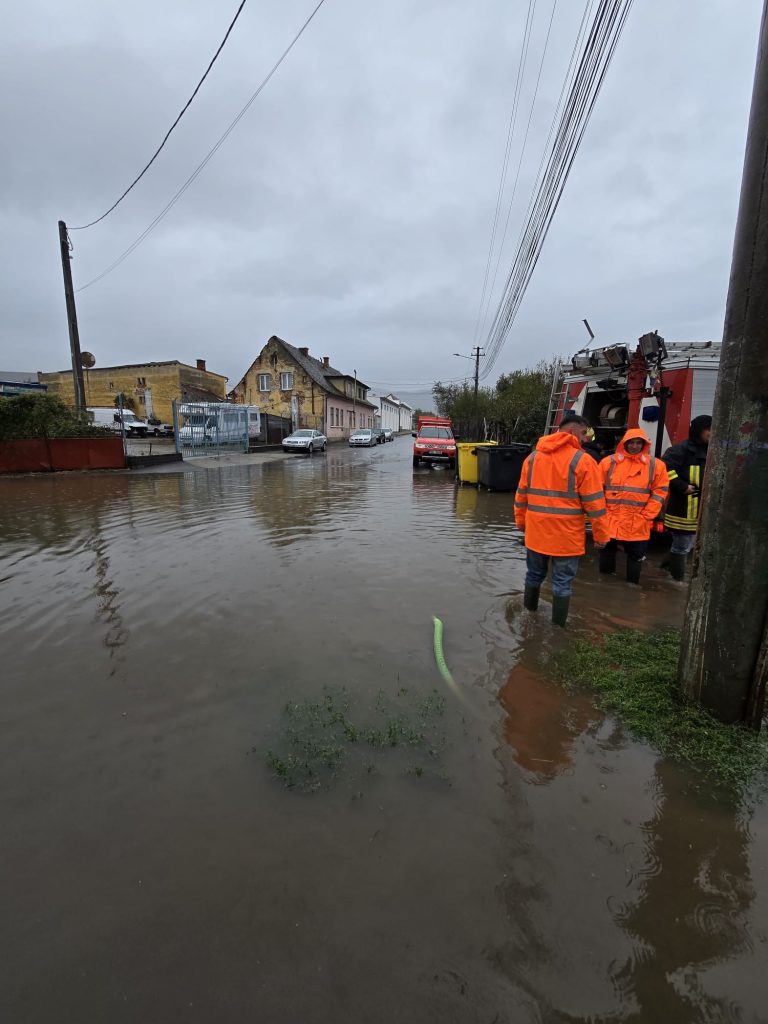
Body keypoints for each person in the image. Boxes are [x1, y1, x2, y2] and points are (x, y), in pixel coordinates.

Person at [515, 414, 610, 626]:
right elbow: (595, 505)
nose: (586, 438)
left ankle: (528, 618)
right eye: (584, 433)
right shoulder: (584, 461)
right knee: (562, 583)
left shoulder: (532, 458)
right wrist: (601, 536)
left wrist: (521, 524)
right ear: (572, 432)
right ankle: (558, 631)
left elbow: (521, 497)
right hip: (566, 537)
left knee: (533, 576)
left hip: (537, 533)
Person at [598, 428, 670, 585]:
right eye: (631, 442)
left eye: (638, 443)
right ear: (624, 443)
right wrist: (601, 513)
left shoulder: (655, 465)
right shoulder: (608, 462)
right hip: (610, 519)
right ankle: (605, 586)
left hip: (638, 521)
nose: (634, 446)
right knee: (606, 554)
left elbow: (660, 491)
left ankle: (630, 587)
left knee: (636, 557)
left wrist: (647, 515)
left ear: (644, 445)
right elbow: (597, 489)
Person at [661, 415, 712, 580]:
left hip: (699, 509)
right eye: (708, 429)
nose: (712, 432)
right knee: (682, 546)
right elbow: (664, 469)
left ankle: (664, 568)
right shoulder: (681, 449)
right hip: (682, 508)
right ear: (698, 430)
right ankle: (676, 582)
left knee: (686, 545)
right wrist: (682, 487)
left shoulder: (710, 449)